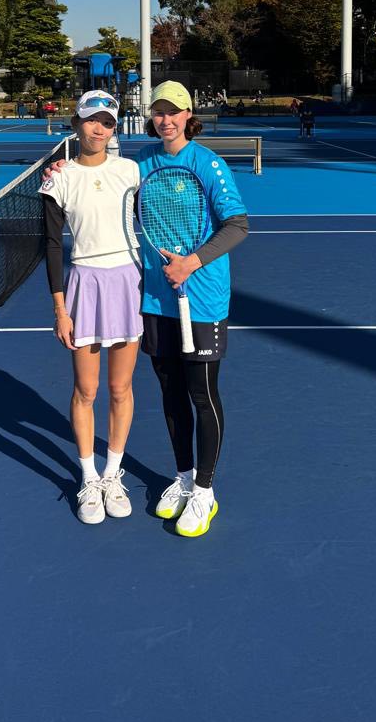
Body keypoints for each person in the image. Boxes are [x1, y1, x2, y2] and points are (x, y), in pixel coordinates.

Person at [138, 81, 248, 538]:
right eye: (158, 112)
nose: (166, 120)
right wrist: (64, 169)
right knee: (170, 391)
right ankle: (183, 477)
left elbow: (237, 224)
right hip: (156, 298)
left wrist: (191, 262)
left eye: (174, 112)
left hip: (201, 298)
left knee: (201, 394)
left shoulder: (208, 163)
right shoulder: (142, 163)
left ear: (188, 116)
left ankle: (204, 490)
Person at [40, 91, 142, 526]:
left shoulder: (131, 171)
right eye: (91, 120)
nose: (99, 129)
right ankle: (89, 478)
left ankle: (113, 474)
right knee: (87, 389)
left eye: (108, 122)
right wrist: (60, 309)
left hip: (128, 282)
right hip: (84, 284)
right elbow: (51, 246)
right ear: (76, 124)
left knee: (120, 388)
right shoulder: (58, 179)